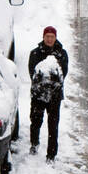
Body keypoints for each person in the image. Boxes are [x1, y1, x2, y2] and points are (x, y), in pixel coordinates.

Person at [28, 26, 68, 162]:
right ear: (43, 37)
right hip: (38, 95)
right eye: (47, 36)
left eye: (52, 37)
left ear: (55, 38)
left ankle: (51, 155)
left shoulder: (62, 54)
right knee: (35, 121)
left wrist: (52, 87)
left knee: (53, 125)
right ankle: (34, 143)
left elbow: (63, 74)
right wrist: (41, 87)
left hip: (55, 96)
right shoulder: (35, 53)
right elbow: (32, 73)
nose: (49, 39)